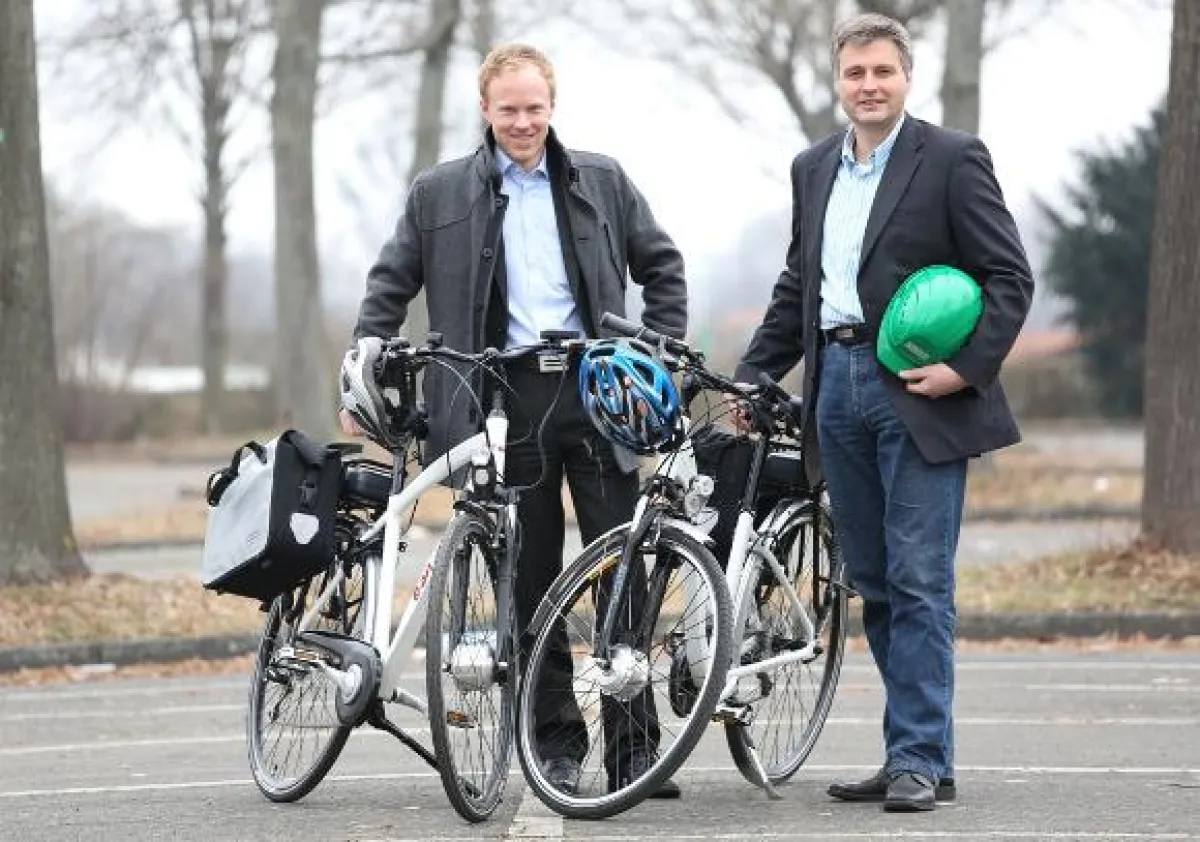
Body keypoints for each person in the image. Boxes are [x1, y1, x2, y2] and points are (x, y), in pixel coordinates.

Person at [339, 43, 688, 798]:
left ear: (552, 105)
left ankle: (635, 751)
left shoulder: (601, 179)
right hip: (502, 399)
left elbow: (663, 267)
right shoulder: (439, 193)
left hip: (598, 394)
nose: (523, 122)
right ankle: (554, 743)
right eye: (509, 110)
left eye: (534, 108)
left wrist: (657, 356)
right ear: (485, 110)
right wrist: (365, 362)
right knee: (529, 579)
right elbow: (388, 285)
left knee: (619, 567)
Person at [733, 13, 1033, 812]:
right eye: (856, 73)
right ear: (840, 81)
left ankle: (918, 758)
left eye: (883, 72)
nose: (869, 85)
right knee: (873, 582)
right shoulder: (813, 167)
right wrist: (752, 378)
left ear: (907, 77)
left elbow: (1008, 278)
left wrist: (966, 371)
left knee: (920, 579)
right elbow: (799, 284)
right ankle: (919, 753)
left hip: (918, 392)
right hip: (833, 387)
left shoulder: (952, 159)